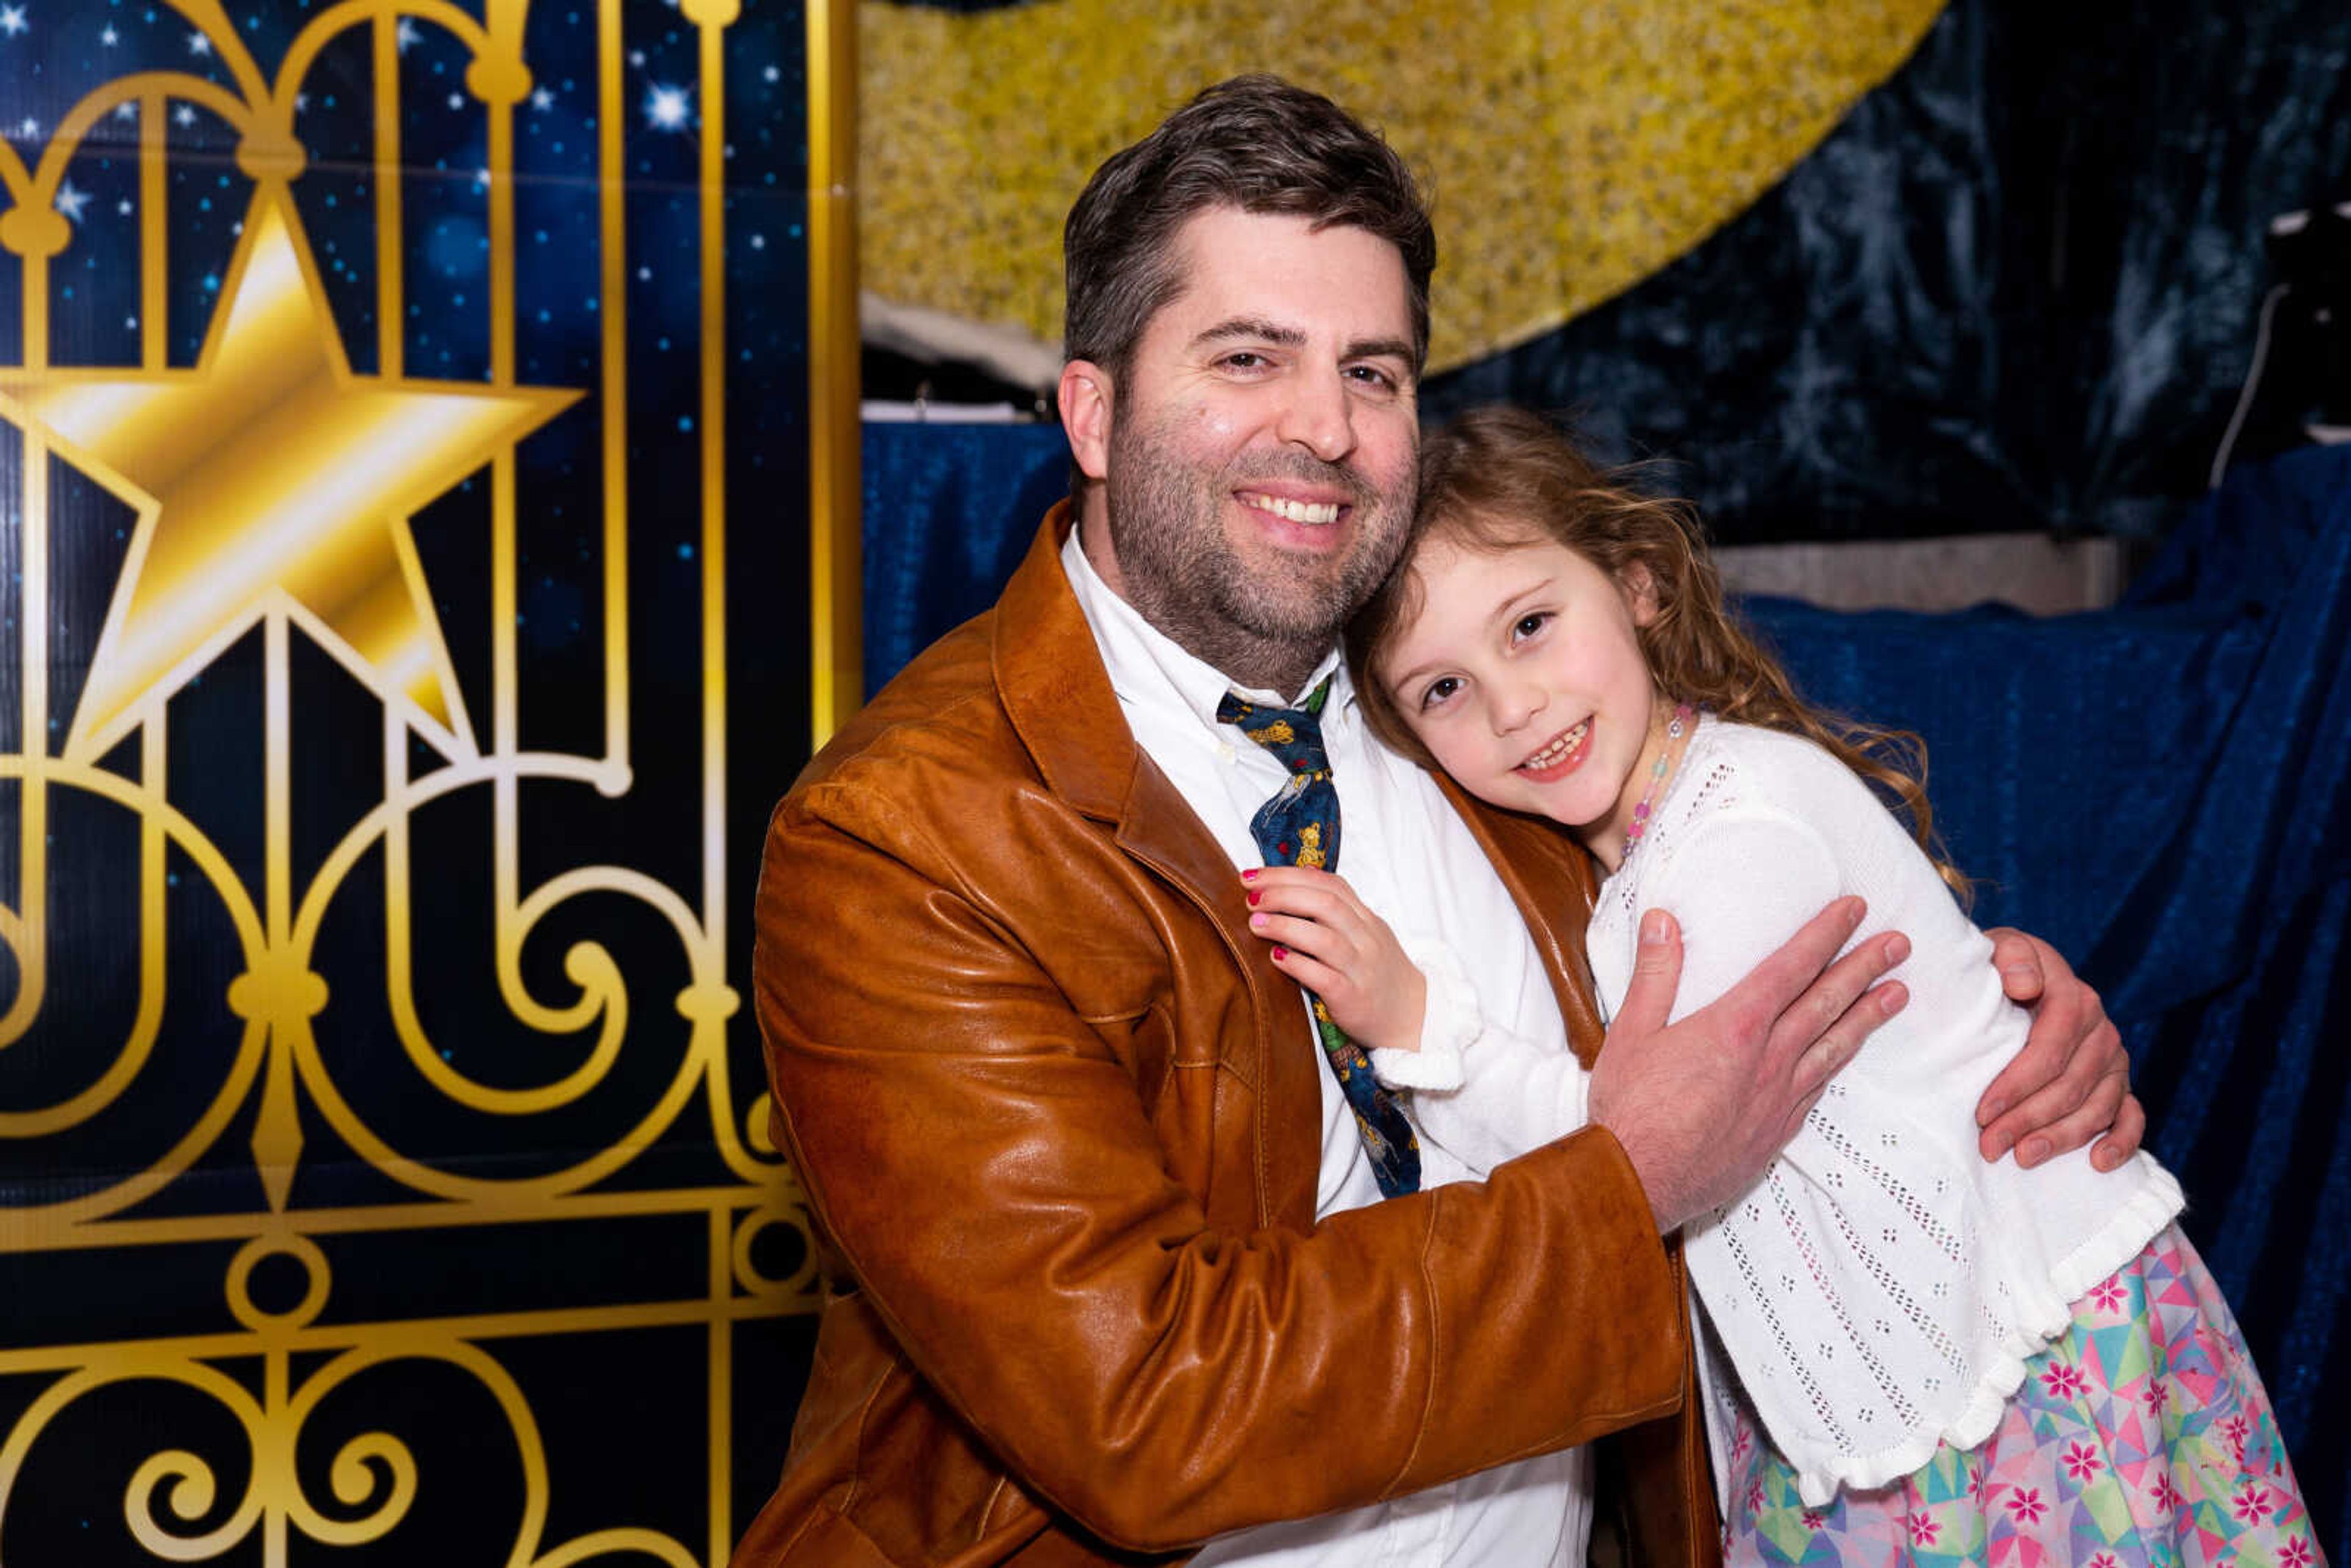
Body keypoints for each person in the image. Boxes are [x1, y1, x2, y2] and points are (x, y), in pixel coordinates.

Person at [739, 77, 2141, 1568]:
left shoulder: (1488, 723)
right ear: (1094, 412)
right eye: (1246, 357)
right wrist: (1631, 1179)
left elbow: (1737, 921)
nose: (1325, 429)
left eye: (1377, 371)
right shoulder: (905, 841)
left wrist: (1968, 1033)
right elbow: (1146, 1409)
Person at [1236, 404, 2317, 1565]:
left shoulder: (1740, 833)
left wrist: (1416, 1022)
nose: (1514, 705)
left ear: (1639, 586)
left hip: (2008, 1375)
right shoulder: (1640, 842)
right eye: (1441, 690)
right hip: (1888, 1387)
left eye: (1533, 625)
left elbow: (1628, 1152)